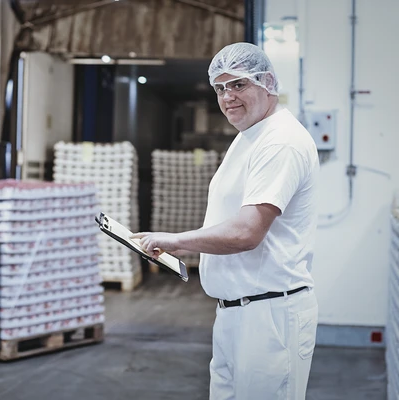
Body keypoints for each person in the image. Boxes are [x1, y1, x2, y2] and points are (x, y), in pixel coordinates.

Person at [132, 42, 320, 399]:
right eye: (220, 88)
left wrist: (176, 241)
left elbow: (248, 232)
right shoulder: (250, 137)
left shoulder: (280, 142)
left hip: (269, 318)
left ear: (267, 83)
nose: (227, 96)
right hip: (236, 313)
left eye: (238, 84)